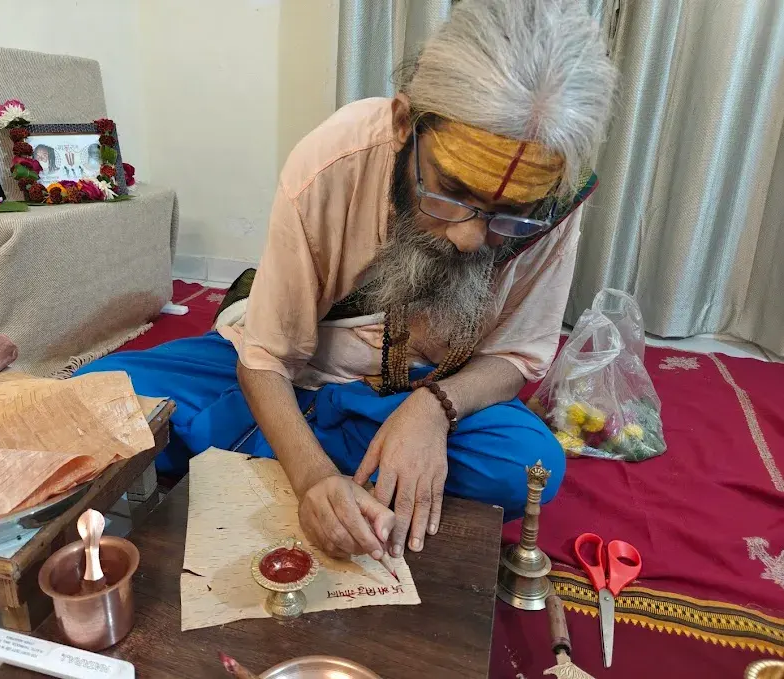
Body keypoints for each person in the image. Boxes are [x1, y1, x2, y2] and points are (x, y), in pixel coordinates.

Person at [76, 0, 617, 562]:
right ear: (406, 124)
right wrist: (311, 481)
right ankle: (338, 452)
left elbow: (515, 356)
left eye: (509, 213)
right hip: (301, 366)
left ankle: (263, 441)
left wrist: (434, 409)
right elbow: (264, 357)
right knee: (91, 399)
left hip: (428, 382)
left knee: (530, 466)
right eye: (452, 191)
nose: (470, 239)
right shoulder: (335, 157)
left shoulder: (552, 197)